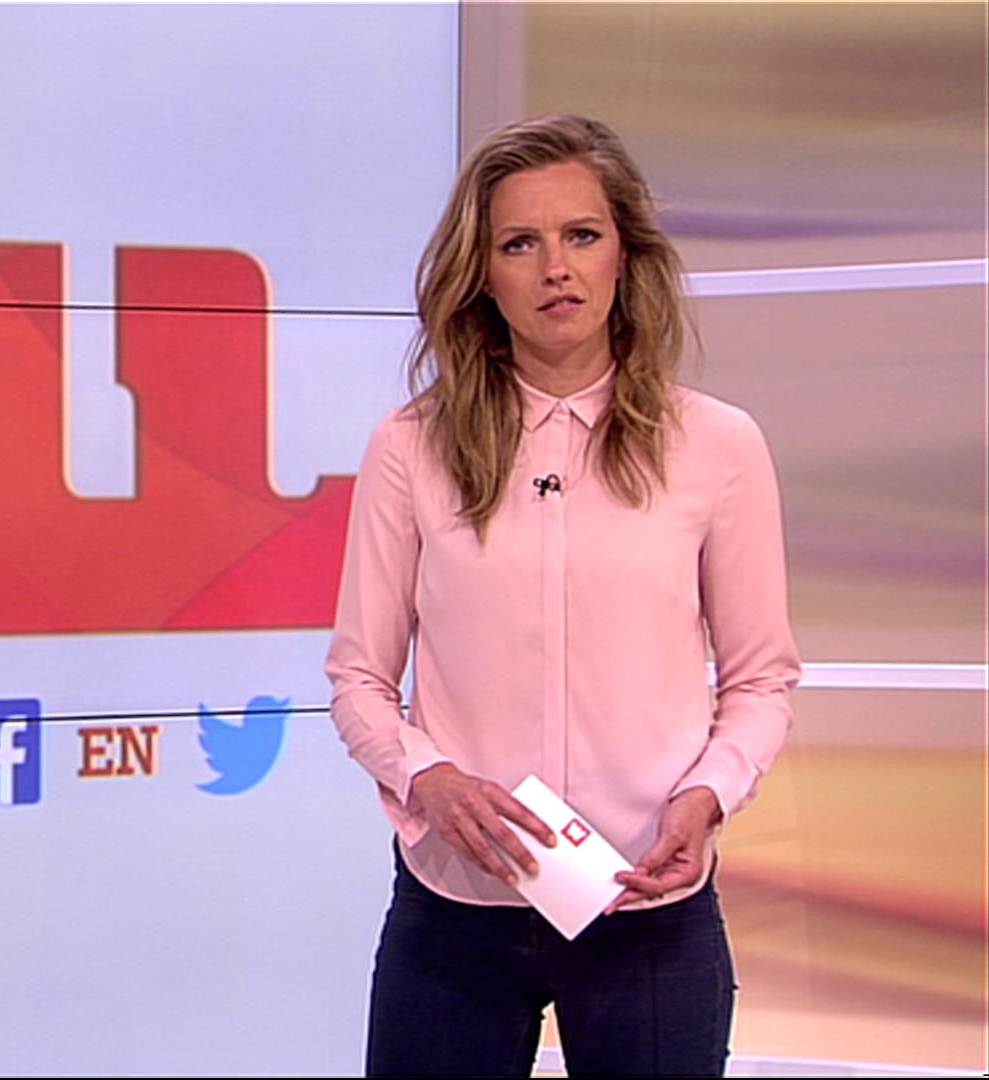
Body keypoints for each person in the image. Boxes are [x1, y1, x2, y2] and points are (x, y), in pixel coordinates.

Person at [324, 114, 800, 1077]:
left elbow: (762, 680)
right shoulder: (410, 447)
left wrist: (707, 797)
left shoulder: (717, 446)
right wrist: (429, 779)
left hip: (646, 908)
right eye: (519, 244)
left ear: (625, 255)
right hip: (456, 913)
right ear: (481, 274)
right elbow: (358, 680)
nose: (556, 270)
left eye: (582, 235)